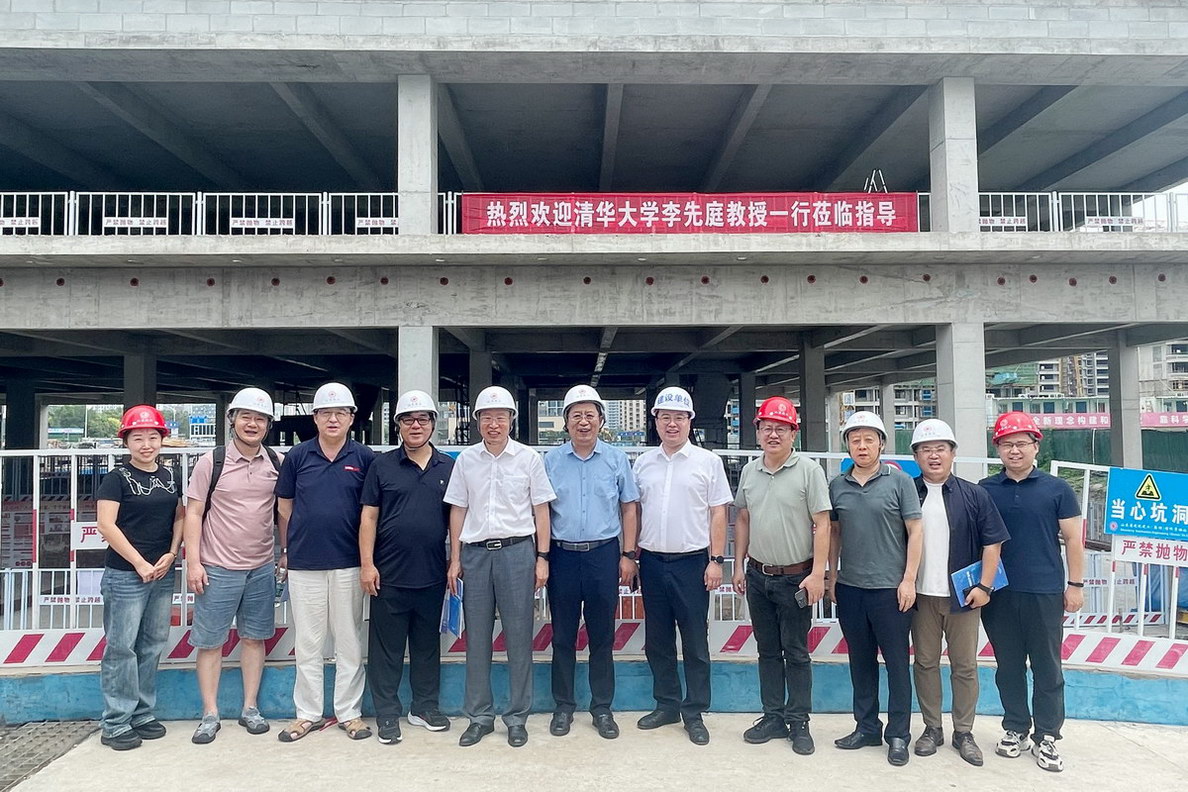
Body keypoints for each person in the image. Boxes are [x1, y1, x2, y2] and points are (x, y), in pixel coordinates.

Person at [444, 386, 556, 748]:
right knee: (476, 639)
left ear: (511, 420)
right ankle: (479, 716)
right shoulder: (467, 460)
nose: (494, 424)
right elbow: (458, 509)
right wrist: (455, 558)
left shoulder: (528, 459)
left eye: (501, 417)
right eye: (487, 418)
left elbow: (541, 510)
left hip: (517, 553)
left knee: (519, 637)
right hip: (475, 555)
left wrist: (542, 557)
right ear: (478, 421)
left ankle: (517, 717)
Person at [980, 411, 1084, 773]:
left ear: (1035, 446)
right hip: (999, 593)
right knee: (1007, 666)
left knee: (1047, 666)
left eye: (1021, 443)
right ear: (998, 448)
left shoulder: (1057, 489)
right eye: (1007, 444)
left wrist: (1075, 585)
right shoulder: (985, 490)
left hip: (1044, 590)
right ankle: (1015, 728)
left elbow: (1074, 539)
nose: (1014, 450)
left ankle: (1048, 735)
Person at [275, 382, 375, 742]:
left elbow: (370, 512)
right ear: (315, 418)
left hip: (349, 562)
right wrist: (291, 547)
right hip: (305, 563)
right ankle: (308, 714)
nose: (333, 419)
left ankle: (350, 713)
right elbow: (284, 506)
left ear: (351, 418)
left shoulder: (364, 458)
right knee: (309, 641)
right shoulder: (298, 456)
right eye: (326, 413)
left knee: (349, 640)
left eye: (340, 413)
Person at [182, 387, 282, 745]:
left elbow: (283, 513)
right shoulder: (212, 461)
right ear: (232, 420)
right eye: (246, 417)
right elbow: (193, 513)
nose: (252, 424)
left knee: (254, 639)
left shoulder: (276, 462)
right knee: (211, 643)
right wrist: (193, 563)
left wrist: (284, 554)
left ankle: (250, 708)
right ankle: (210, 714)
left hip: (261, 567)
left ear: (268, 424)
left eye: (260, 419)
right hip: (217, 568)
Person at [632, 386, 731, 746]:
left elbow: (718, 512)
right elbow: (634, 511)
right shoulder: (643, 463)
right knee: (657, 640)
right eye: (665, 417)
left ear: (690, 421)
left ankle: (695, 712)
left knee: (694, 641)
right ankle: (667, 704)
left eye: (679, 417)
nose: (671, 424)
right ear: (655, 421)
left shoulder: (708, 462)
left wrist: (716, 560)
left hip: (693, 563)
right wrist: (632, 556)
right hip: (652, 561)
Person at [731, 396, 830, 755]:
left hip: (795, 578)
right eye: (767, 428)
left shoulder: (809, 471)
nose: (773, 434)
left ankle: (799, 721)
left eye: (781, 429)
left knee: (797, 652)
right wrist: (737, 565)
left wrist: (818, 574)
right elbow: (743, 518)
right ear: (757, 431)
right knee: (767, 651)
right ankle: (773, 716)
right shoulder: (749, 472)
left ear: (793, 433)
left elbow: (822, 523)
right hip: (758, 576)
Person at [908, 419, 1009, 767]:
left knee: (964, 666)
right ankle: (932, 727)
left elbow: (992, 543)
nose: (933, 456)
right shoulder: (907, 492)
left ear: (953, 453)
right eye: (925, 450)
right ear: (916, 456)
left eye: (940, 448)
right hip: (920, 597)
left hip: (963, 597)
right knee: (925, 663)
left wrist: (984, 586)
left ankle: (964, 732)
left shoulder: (974, 494)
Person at [543, 384, 640, 740]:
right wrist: (542, 556)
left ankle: (602, 708)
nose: (583, 422)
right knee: (562, 636)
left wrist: (628, 554)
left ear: (601, 420)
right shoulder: (551, 461)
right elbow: (541, 511)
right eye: (576, 415)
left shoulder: (616, 459)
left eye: (590, 415)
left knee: (602, 636)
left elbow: (629, 508)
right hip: (562, 556)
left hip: (603, 554)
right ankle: (563, 706)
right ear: (566, 422)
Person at [826, 410, 922, 767]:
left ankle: (898, 734)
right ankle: (866, 727)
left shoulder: (900, 482)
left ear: (881, 443)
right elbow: (834, 532)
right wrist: (831, 575)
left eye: (869, 439)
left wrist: (908, 579)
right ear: (848, 446)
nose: (862, 446)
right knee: (860, 662)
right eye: (855, 440)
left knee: (897, 664)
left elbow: (915, 531)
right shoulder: (838, 484)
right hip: (851, 588)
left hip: (890, 590)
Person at [360, 389, 455, 745]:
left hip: (431, 574)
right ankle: (387, 713)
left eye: (423, 419)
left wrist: (455, 561)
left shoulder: (448, 467)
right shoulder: (381, 465)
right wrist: (367, 564)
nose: (416, 425)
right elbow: (369, 517)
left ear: (433, 424)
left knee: (427, 646)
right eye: (408, 420)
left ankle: (425, 707)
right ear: (398, 425)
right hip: (388, 575)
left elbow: (456, 519)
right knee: (385, 650)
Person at [95, 406, 184, 750]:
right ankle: (116, 722)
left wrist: (172, 553)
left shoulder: (171, 476)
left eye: (152, 437)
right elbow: (106, 525)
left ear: (161, 439)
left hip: (162, 571)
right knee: (121, 648)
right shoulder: (116, 478)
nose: (146, 444)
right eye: (138, 438)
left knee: (152, 643)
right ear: (126, 442)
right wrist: (139, 563)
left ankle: (142, 714)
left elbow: (179, 516)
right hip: (125, 575)